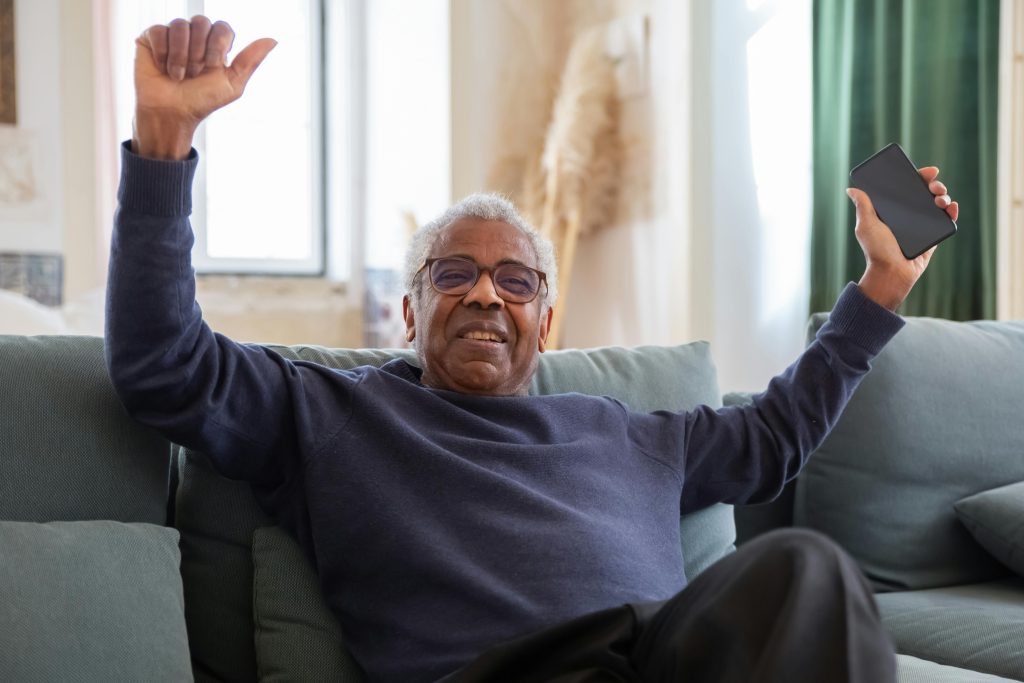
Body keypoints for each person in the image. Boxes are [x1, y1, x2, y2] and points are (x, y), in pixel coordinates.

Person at [106, 16, 960, 683]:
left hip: (660, 656)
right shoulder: (333, 411)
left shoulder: (631, 433)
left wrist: (881, 287)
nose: (485, 292)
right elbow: (167, 367)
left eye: (517, 281)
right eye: (455, 274)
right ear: (410, 312)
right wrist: (162, 144)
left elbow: (774, 437)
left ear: (545, 324)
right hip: (503, 671)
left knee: (807, 567)